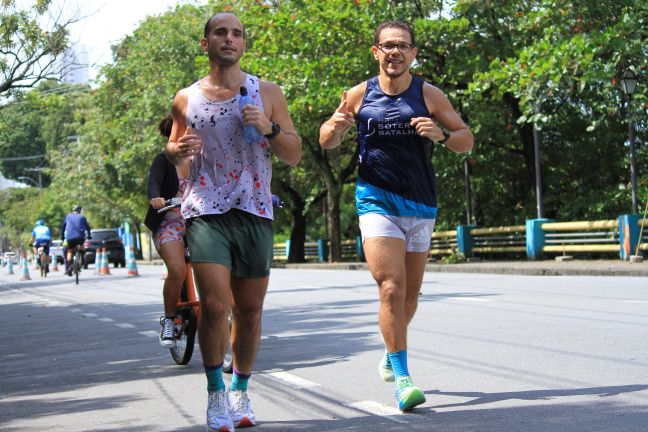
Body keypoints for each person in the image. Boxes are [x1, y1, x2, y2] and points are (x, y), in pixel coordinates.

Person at [319, 20, 474, 411]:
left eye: (403, 46)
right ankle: (403, 380)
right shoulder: (358, 95)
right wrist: (336, 127)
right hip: (376, 201)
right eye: (388, 45)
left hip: (421, 204)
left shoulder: (429, 95)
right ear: (376, 52)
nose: (395, 52)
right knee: (390, 287)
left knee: (409, 296)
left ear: (413, 54)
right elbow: (327, 141)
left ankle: (391, 352)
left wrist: (441, 135)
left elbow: (465, 140)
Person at [165, 11, 301, 431]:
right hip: (206, 210)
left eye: (237, 33)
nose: (229, 38)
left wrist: (270, 127)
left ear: (244, 44)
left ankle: (241, 390)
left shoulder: (268, 92)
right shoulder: (185, 99)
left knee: (250, 311)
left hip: (256, 209)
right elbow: (174, 151)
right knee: (215, 306)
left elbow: (293, 153)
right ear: (206, 44)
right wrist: (176, 154)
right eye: (220, 32)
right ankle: (215, 394)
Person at [144, 114, 191, 347]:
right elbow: (153, 182)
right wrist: (156, 198)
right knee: (176, 269)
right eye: (181, 132)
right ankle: (170, 320)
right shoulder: (163, 160)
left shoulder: (202, 158)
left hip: (199, 221)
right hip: (169, 223)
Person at [61, 205, 92, 276]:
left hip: (70, 238)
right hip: (80, 237)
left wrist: (62, 236)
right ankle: (82, 259)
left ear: (73, 211)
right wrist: (89, 236)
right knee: (81, 247)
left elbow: (63, 227)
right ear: (80, 211)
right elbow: (88, 228)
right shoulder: (82, 217)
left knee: (70, 251)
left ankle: (69, 267)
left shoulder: (68, 216)